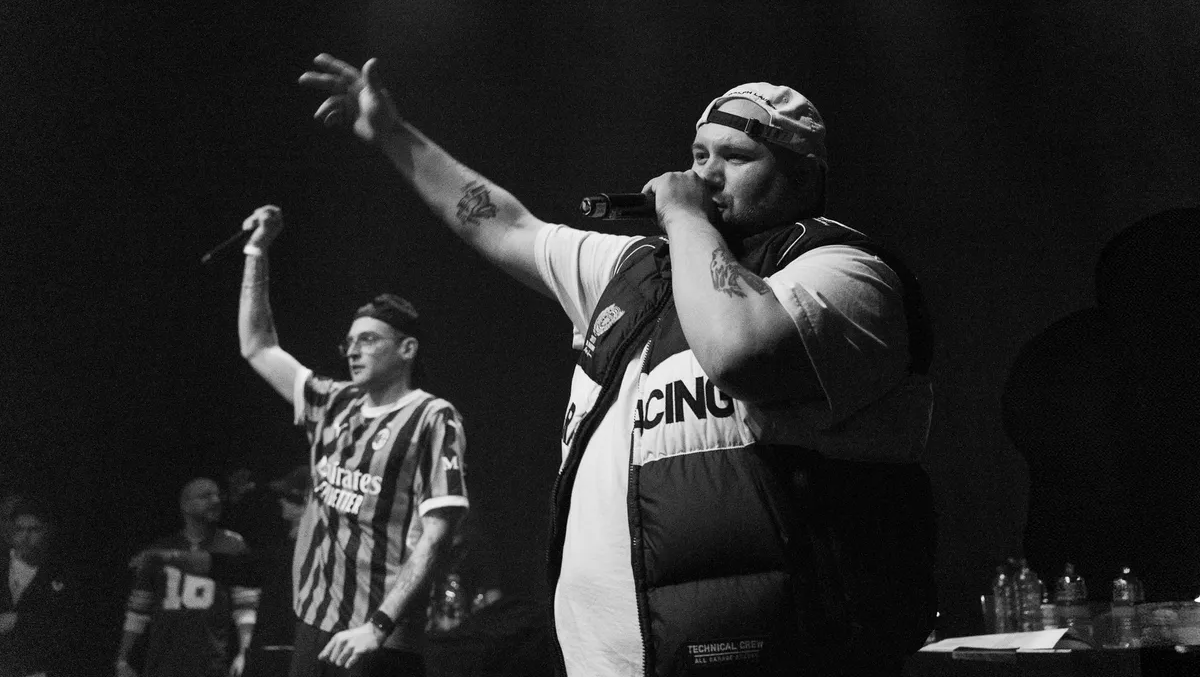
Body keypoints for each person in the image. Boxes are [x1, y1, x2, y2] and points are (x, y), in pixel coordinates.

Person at [299, 54, 938, 676]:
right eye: (698, 155)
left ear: (802, 175)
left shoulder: (847, 271)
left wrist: (683, 215)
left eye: (736, 157)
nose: (706, 175)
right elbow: (504, 225)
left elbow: (738, 352)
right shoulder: (636, 272)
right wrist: (393, 134)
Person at [237, 214, 470, 676]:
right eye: (349, 342)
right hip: (314, 623)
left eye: (368, 340)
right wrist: (256, 251)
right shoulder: (332, 400)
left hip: (377, 633)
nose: (353, 351)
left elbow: (437, 536)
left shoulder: (431, 416)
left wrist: (379, 626)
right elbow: (258, 346)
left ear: (407, 349)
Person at [117, 478, 261, 677]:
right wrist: (123, 658)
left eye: (217, 495)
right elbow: (138, 610)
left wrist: (244, 653)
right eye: (205, 496)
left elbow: (246, 607)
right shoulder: (160, 550)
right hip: (162, 663)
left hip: (212, 663)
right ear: (184, 505)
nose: (215, 500)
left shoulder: (232, 545)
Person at [0, 499, 78, 677]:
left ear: (48, 531)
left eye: (34, 530)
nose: (25, 537)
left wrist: (20, 620)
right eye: (19, 529)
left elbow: (69, 626)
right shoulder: (2, 566)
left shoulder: (61, 574)